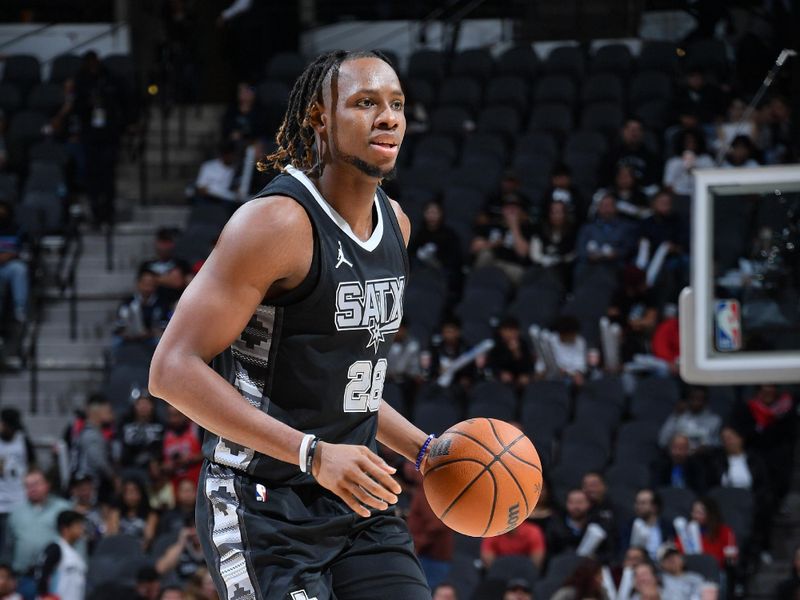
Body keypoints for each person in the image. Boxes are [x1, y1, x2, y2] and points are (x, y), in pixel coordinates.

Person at [149, 50, 434, 599]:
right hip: (263, 506)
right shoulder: (275, 223)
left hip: (358, 505)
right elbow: (171, 369)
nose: (389, 117)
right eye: (365, 103)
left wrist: (425, 450)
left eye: (396, 104)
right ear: (319, 119)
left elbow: (350, 387)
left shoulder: (396, 224)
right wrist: (313, 453)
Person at [3, 470, 72, 580]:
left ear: (47, 485)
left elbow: (76, 539)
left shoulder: (63, 508)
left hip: (56, 574)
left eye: (36, 484)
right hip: (23, 576)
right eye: (28, 485)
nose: (32, 488)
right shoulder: (16, 513)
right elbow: (8, 546)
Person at [471, 193, 534, 286]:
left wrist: (514, 226)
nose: (511, 211)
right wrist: (493, 244)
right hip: (490, 262)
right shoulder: (492, 225)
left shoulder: (527, 229)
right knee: (485, 254)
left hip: (511, 266)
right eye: (508, 208)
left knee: (521, 274)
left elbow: (523, 253)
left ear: (521, 211)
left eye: (515, 208)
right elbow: (474, 247)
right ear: (502, 210)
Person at [407, 200, 463, 298]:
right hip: (420, 271)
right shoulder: (420, 233)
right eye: (429, 212)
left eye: (435, 213)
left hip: (441, 272)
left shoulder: (449, 234)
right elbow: (411, 254)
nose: (432, 216)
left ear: (441, 214)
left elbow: (454, 258)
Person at [575, 194, 636, 279]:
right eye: (603, 205)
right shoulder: (587, 228)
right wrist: (590, 256)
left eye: (609, 205)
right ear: (598, 208)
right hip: (590, 265)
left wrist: (616, 253)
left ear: (615, 208)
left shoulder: (626, 227)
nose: (606, 209)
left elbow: (629, 248)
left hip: (615, 265)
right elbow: (580, 248)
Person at [407, 482, 453, 589]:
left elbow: (436, 525)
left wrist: (417, 545)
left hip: (431, 558)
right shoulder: (423, 488)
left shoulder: (429, 489)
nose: (407, 468)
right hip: (429, 557)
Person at [71, 395, 116, 503]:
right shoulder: (92, 434)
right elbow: (98, 461)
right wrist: (113, 476)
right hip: (88, 483)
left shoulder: (89, 431)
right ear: (97, 412)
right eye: (108, 411)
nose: (112, 414)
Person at [0, 409, 34, 549]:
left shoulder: (22, 439)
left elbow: (33, 464)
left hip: (20, 498)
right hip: (1, 499)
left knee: (17, 540)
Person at [34, 510, 87, 600]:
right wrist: (45, 595)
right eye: (78, 526)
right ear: (65, 529)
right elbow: (41, 572)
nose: (82, 529)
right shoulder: (56, 548)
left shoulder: (76, 553)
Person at [549, 489, 613, 562]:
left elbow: (608, 553)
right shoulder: (557, 525)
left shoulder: (600, 524)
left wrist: (595, 558)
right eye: (571, 502)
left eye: (580, 502)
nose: (575, 506)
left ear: (589, 504)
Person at [114, 268, 171, 347]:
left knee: (161, 343)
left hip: (152, 336)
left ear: (155, 286)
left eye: (150, 284)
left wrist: (150, 333)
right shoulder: (128, 302)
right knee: (116, 342)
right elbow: (120, 323)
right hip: (130, 336)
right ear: (138, 284)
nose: (147, 287)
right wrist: (126, 333)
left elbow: (165, 325)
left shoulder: (162, 303)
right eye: (145, 283)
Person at [675, 498, 737, 569]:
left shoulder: (724, 531)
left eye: (700, 513)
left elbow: (730, 558)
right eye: (694, 512)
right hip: (689, 570)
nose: (695, 516)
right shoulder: (686, 530)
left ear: (710, 514)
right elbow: (679, 551)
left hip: (714, 571)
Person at [528, 200, 576, 286]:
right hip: (541, 267)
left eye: (559, 212)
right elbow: (535, 254)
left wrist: (558, 260)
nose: (556, 216)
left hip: (563, 270)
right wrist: (545, 260)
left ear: (565, 214)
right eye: (553, 212)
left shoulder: (572, 232)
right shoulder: (540, 230)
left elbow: (572, 255)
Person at [658, 387, 721, 452]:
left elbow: (717, 445)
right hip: (679, 457)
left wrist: (707, 447)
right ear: (688, 399)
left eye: (699, 399)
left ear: (706, 401)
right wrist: (675, 415)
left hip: (704, 458)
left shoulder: (714, 420)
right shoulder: (679, 416)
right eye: (693, 398)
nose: (696, 402)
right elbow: (663, 441)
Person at [619, 489, 674, 561]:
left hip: (662, 565)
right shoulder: (628, 526)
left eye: (643, 503)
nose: (638, 506)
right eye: (637, 503)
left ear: (654, 507)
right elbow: (624, 550)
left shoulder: (667, 526)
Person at [105, 478, 159, 549]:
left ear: (141, 493)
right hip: (118, 552)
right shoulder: (116, 513)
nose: (130, 496)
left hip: (140, 553)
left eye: (134, 491)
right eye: (127, 492)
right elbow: (113, 536)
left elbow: (148, 540)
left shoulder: (151, 515)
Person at [119, 393, 165, 473]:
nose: (143, 407)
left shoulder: (161, 425)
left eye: (146, 403)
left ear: (152, 406)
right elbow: (120, 447)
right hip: (128, 467)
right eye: (140, 404)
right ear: (134, 406)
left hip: (154, 468)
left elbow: (162, 448)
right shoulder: (124, 425)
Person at [480, 517, 546, 571]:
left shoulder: (533, 531)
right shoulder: (493, 533)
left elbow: (536, 563)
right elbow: (488, 560)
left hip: (525, 573)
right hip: (501, 573)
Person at [662, 129, 715, 197]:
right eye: (687, 141)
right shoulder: (673, 162)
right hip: (679, 195)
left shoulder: (706, 159)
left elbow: (712, 180)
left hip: (702, 195)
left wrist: (695, 169)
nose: (690, 144)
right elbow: (668, 184)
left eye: (693, 141)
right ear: (681, 143)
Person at [538, 315, 587, 386]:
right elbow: (541, 366)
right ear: (563, 334)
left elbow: (580, 365)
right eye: (571, 335)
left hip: (571, 379)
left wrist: (572, 373)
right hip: (551, 379)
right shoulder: (549, 341)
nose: (574, 337)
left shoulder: (580, 342)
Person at [486, 316, 534, 389]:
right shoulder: (496, 345)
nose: (510, 334)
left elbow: (528, 365)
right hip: (502, 382)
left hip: (521, 381)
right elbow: (492, 365)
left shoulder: (523, 344)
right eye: (507, 330)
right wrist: (500, 373)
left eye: (513, 330)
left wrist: (516, 353)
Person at [161, 406, 203, 491]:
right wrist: (168, 465)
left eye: (177, 415)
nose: (174, 420)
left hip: (198, 482)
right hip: (175, 485)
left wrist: (191, 459)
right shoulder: (164, 433)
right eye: (171, 416)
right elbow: (159, 464)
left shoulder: (197, 429)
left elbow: (208, 453)